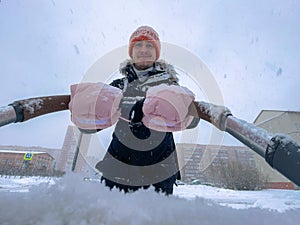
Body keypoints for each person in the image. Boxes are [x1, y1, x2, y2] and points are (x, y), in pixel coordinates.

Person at [69, 25, 200, 195]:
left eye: (149, 45)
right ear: (131, 52)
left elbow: (192, 119)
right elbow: (89, 126)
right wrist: (88, 110)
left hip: (159, 170)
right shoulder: (118, 86)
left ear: (156, 52)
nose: (143, 50)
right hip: (118, 167)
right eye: (138, 45)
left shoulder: (170, 86)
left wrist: (174, 108)